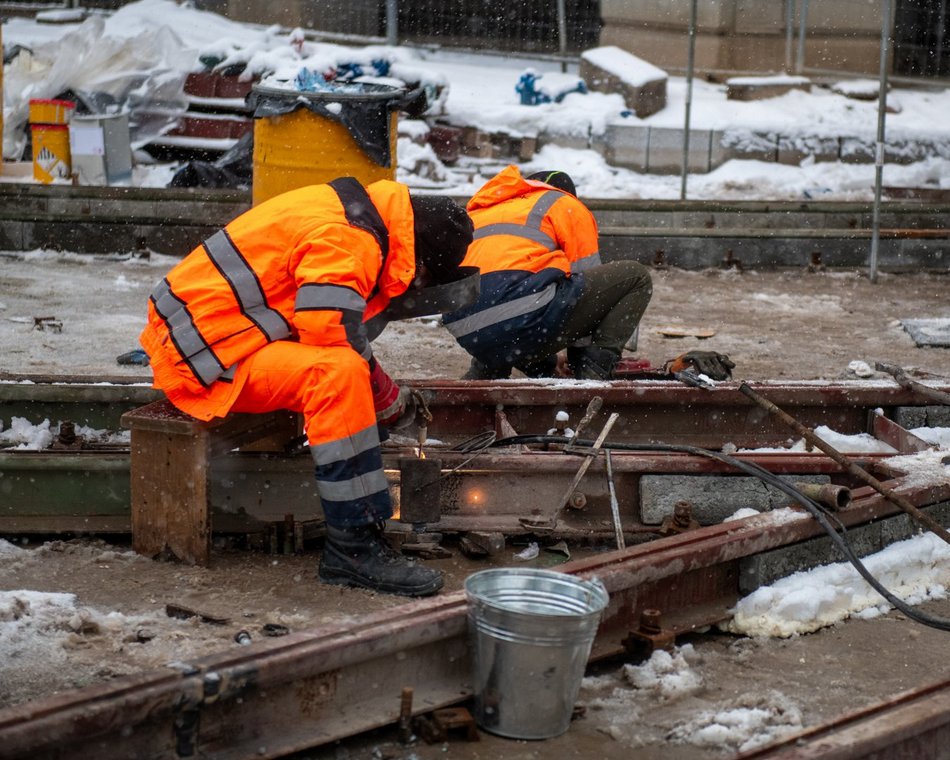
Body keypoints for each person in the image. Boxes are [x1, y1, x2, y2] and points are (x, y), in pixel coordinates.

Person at [139, 177, 475, 597]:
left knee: (345, 367)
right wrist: (383, 393)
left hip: (218, 335)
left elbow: (323, 320)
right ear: (420, 264)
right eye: (422, 280)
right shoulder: (352, 237)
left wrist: (377, 395)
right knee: (336, 375)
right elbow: (329, 326)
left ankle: (356, 514)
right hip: (206, 355)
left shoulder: (358, 213)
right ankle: (352, 549)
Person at [442, 165, 654, 381]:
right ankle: (593, 373)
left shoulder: (488, 209)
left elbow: (495, 298)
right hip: (521, 318)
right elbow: (589, 288)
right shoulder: (565, 204)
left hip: (465, 328)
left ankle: (484, 375)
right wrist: (579, 359)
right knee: (635, 276)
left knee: (501, 312)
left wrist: (547, 366)